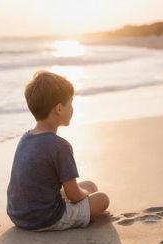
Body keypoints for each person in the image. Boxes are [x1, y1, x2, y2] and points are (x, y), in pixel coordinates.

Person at [6, 70, 110, 232]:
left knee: (90, 185)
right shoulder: (60, 146)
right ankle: (82, 213)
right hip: (46, 218)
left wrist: (82, 193)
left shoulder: (25, 138)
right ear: (59, 109)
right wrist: (86, 197)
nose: (72, 108)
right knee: (102, 198)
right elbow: (74, 195)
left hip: (18, 215)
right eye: (71, 102)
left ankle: (83, 206)